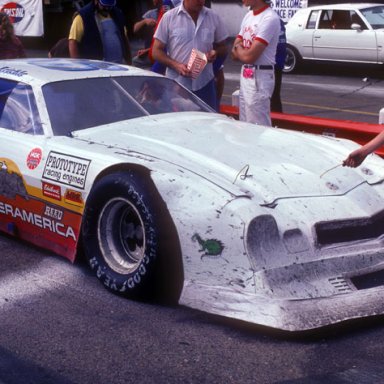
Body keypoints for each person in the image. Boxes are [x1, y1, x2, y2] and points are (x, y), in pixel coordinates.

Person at [151, 0, 228, 111]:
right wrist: (176, 65)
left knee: (208, 121)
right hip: (176, 84)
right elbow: (156, 51)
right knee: (179, 124)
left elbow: (223, 47)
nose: (201, 1)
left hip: (205, 83)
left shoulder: (213, 17)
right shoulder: (169, 17)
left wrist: (215, 52)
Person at [231, 0, 280, 126]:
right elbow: (234, 49)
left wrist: (239, 49)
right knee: (245, 123)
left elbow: (249, 56)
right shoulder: (249, 16)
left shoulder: (270, 18)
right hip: (246, 74)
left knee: (257, 125)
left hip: (260, 76)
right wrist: (240, 50)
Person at [68, 0, 131, 64]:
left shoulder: (117, 14)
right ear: (96, 1)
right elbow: (73, 42)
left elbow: (124, 38)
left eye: (109, 6)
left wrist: (129, 62)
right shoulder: (83, 16)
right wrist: (78, 65)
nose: (107, 8)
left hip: (118, 65)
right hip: (95, 68)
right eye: (104, 6)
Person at [270, 17, 286, 113]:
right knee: (275, 95)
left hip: (272, 63)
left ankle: (276, 119)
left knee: (273, 95)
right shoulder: (278, 21)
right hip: (278, 62)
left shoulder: (271, 20)